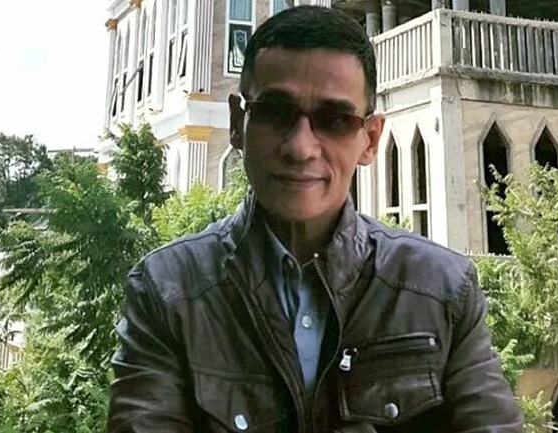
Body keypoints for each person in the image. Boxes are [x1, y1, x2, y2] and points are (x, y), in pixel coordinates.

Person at [107, 5, 522, 432]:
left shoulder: (441, 290)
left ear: (370, 139)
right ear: (237, 124)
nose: (301, 147)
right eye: (275, 112)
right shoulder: (168, 291)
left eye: (335, 120)